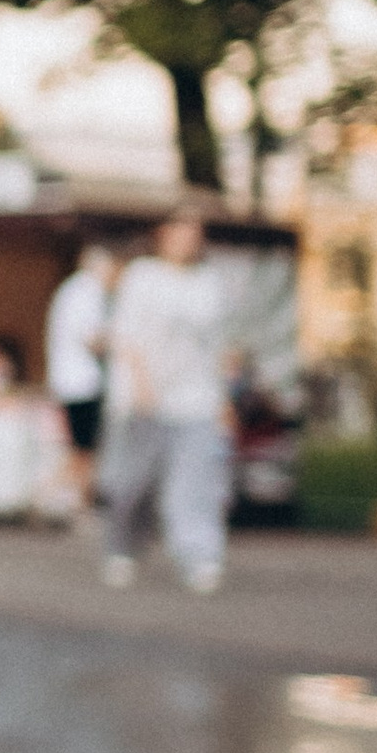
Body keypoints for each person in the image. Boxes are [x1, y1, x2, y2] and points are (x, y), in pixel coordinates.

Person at [102, 213, 240, 593]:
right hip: (145, 399)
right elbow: (126, 337)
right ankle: (123, 547)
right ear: (162, 235)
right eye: (179, 230)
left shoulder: (208, 283)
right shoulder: (143, 276)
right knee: (135, 482)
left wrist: (223, 397)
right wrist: (142, 386)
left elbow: (218, 345)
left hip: (195, 399)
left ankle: (200, 556)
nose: (187, 238)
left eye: (194, 231)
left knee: (195, 483)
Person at [46, 245, 116, 496]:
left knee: (82, 449)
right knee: (86, 450)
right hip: (83, 383)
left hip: (70, 381)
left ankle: (49, 494)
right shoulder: (87, 291)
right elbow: (93, 338)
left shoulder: (71, 290)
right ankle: (52, 495)